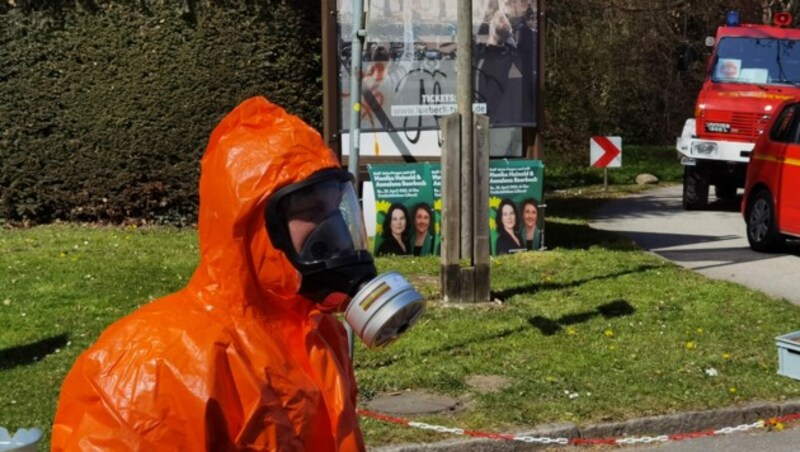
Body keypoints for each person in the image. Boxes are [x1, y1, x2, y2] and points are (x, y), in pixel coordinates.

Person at [52, 97, 371, 450]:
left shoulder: (319, 334)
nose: (334, 230)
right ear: (252, 228)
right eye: (311, 210)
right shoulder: (153, 364)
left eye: (333, 209)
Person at [474, 10, 523, 126]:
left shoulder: (482, 59)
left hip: (489, 119)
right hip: (511, 120)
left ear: (491, 29)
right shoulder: (514, 56)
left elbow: (477, 94)